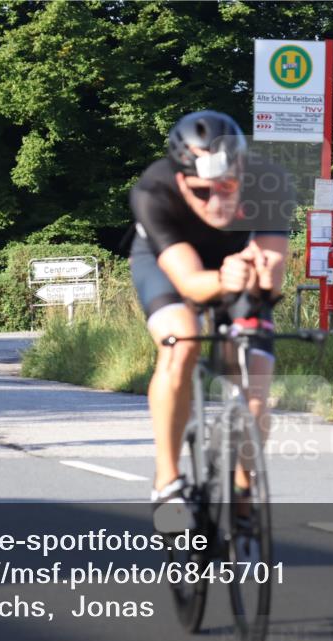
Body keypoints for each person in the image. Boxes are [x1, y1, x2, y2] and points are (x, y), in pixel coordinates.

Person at [128, 110, 296, 529]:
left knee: (254, 372)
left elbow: (271, 283)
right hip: (168, 265)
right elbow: (189, 283)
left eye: (227, 187)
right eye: (202, 193)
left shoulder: (270, 181)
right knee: (180, 341)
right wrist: (225, 276)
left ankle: (242, 490)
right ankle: (167, 480)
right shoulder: (154, 190)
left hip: (238, 265)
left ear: (241, 168)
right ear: (182, 181)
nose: (216, 202)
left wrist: (258, 274)